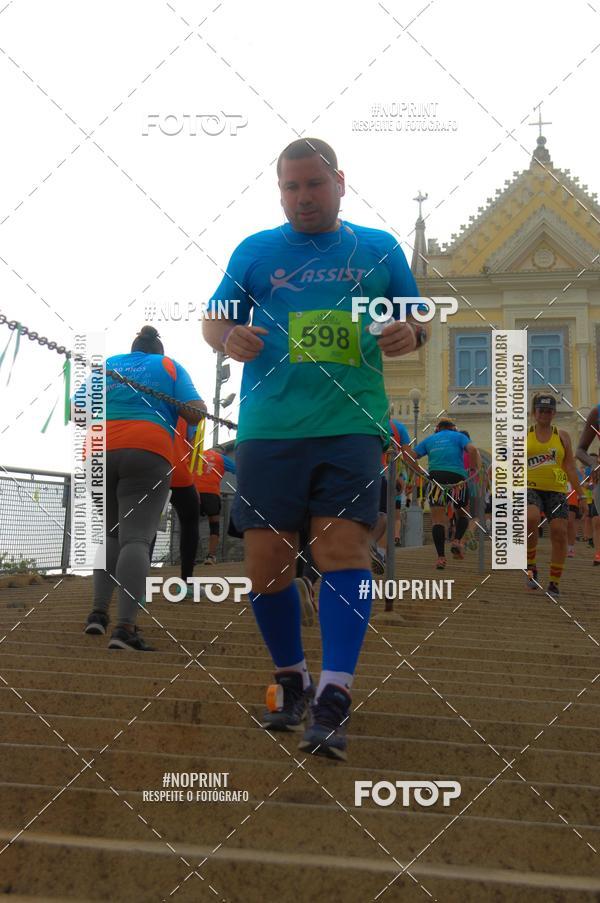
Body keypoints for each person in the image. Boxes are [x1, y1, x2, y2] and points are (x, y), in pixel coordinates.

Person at [202, 137, 425, 760]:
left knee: (342, 549)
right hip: (270, 427)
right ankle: (292, 679)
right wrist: (231, 338)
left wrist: (412, 330)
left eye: (314, 185)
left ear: (340, 183)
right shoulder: (255, 251)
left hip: (351, 422)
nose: (303, 197)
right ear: (280, 191)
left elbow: (417, 315)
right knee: (266, 565)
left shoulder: (378, 248)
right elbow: (213, 320)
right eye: (290, 187)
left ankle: (334, 694)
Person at [83, 326, 205, 649]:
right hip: (148, 451)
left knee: (111, 533)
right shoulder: (168, 367)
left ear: (133, 347)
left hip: (98, 450)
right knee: (135, 537)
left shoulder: (108, 364)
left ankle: (97, 613)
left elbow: (76, 411)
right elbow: (196, 411)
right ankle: (124, 628)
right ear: (158, 350)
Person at [526, 394, 585, 596]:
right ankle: (531, 564)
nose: (545, 414)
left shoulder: (563, 436)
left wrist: (582, 495)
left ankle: (554, 581)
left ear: (554, 413)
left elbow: (569, 467)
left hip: (557, 489)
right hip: (529, 487)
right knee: (531, 518)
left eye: (549, 410)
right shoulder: (524, 434)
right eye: (541, 410)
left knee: (559, 531)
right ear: (534, 413)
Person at [412, 420, 481, 569]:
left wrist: (418, 472)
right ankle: (456, 541)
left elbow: (410, 455)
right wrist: (472, 469)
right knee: (462, 514)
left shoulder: (430, 439)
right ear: (454, 428)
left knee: (438, 521)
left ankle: (441, 558)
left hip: (436, 478)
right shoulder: (459, 436)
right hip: (458, 479)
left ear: (437, 429)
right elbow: (473, 450)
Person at [370, 417, 413, 573]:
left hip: (358, 475)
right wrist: (408, 477)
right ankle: (379, 551)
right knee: (388, 516)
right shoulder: (398, 427)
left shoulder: (362, 420)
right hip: (385, 475)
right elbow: (407, 456)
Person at [192, 445, 236, 565]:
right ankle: (210, 557)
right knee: (214, 524)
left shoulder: (199, 454)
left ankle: (189, 557)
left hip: (193, 491)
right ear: (222, 452)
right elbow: (237, 470)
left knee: (191, 525)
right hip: (211, 492)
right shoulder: (222, 458)